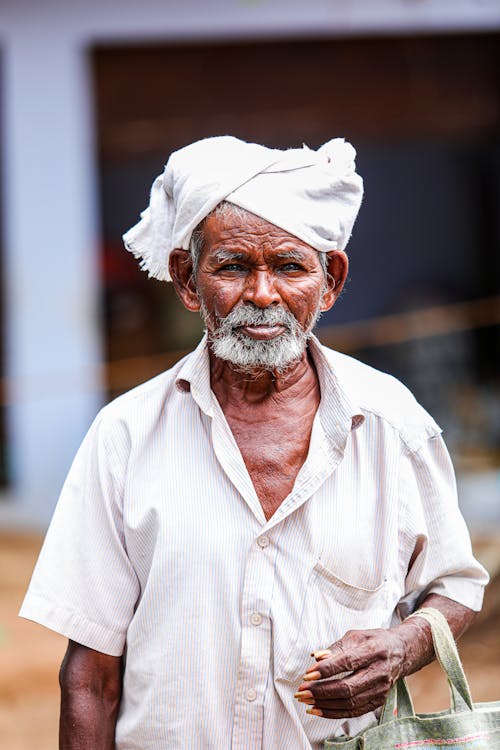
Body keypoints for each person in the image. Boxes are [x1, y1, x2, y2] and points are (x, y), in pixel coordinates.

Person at [21, 136, 488, 750]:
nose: (262, 294)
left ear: (331, 282)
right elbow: (89, 679)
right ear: (189, 282)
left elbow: (455, 584)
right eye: (233, 266)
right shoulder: (125, 436)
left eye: (291, 267)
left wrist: (403, 646)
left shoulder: (392, 423)